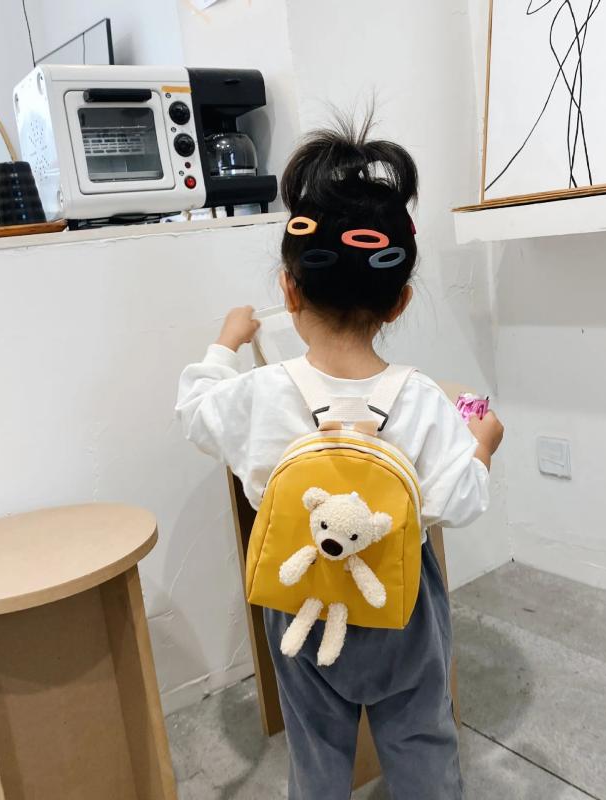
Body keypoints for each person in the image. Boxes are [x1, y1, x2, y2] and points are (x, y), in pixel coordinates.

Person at [175, 117, 504, 800]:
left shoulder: (259, 393)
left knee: (317, 749)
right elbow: (457, 501)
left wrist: (226, 341)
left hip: (299, 606)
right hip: (400, 606)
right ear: (400, 301)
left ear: (288, 292)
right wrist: (484, 445)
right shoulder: (422, 400)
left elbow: (195, 411)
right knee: (421, 739)